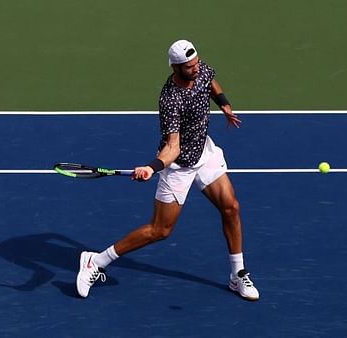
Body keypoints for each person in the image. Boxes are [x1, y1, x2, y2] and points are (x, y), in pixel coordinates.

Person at [76, 39, 259, 301]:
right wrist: (152, 168)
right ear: (175, 66)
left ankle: (237, 275)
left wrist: (224, 104)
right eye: (189, 66)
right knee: (160, 231)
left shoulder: (200, 69)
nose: (195, 69)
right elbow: (173, 147)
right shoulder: (170, 99)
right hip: (177, 166)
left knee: (231, 207)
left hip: (204, 153)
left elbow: (211, 83)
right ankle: (96, 260)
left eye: (196, 63)